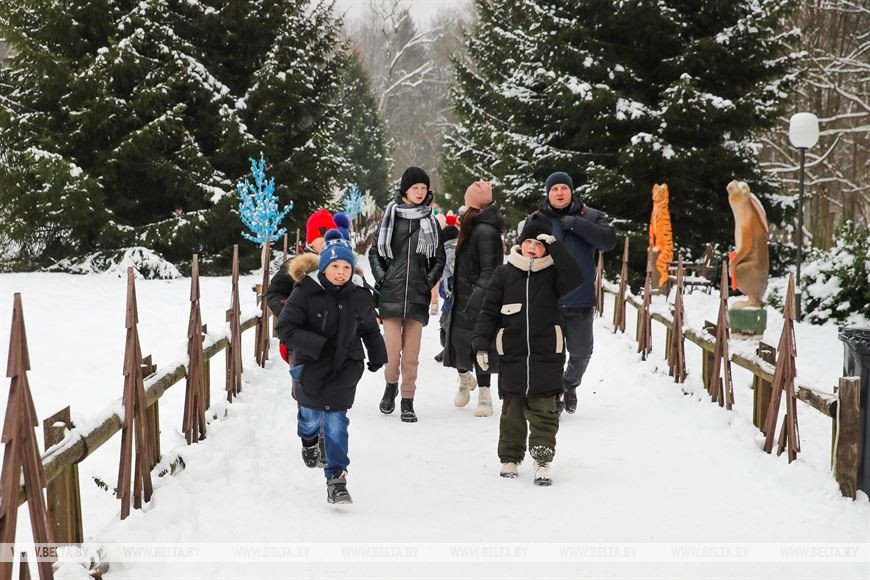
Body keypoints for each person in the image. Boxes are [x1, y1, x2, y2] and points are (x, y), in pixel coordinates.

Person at [276, 229, 387, 504]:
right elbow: (285, 328)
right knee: (310, 418)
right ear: (324, 267)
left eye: (346, 267)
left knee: (337, 422)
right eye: (335, 266)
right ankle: (309, 440)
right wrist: (316, 344)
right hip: (310, 366)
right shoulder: (305, 291)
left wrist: (377, 354)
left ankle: (336, 479)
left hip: (345, 366)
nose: (341, 272)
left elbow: (370, 329)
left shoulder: (359, 295)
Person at [472, 214, 582, 485]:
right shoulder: (504, 273)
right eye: (529, 241)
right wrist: (481, 343)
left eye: (539, 243)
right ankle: (510, 457)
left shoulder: (554, 274)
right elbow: (488, 311)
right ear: (520, 243)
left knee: (545, 411)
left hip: (548, 355)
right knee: (512, 412)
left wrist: (555, 245)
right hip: (512, 354)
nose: (533, 247)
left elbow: (576, 277)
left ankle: (542, 459)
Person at [369, 166, 446, 422]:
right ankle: (390, 385)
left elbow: (439, 258)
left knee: (411, 356)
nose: (420, 192)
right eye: (416, 187)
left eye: (424, 188)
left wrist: (427, 281)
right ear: (405, 190)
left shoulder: (431, 221)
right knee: (392, 354)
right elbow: (374, 252)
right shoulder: (390, 217)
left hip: (417, 296)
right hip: (391, 295)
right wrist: (383, 277)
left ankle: (407, 400)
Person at [536, 172, 616, 414]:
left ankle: (569, 385)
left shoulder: (591, 216)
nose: (559, 193)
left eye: (564, 188)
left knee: (581, 352)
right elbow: (525, 251)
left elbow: (608, 241)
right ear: (548, 193)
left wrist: (576, 224)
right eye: (554, 189)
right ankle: (554, 396)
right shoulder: (537, 219)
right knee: (551, 353)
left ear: (571, 191)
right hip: (548, 300)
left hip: (580, 299)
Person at [443, 181, 505, 417]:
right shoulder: (472, 225)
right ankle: (464, 379)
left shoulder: (485, 230)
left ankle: (485, 395)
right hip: (462, 295)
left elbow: (490, 270)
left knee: (481, 346)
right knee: (455, 341)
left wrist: (477, 299)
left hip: (479, 298)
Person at [434, 212, 459, 363]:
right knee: (446, 321)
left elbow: (456, 270)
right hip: (450, 293)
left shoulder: (450, 251)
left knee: (446, 322)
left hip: (453, 293)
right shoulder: (453, 248)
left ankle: (449, 350)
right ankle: (448, 349)